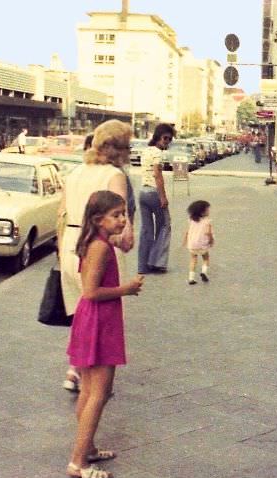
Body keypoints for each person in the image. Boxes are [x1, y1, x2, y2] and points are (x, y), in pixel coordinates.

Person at [65, 190, 143, 478]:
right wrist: (127, 289)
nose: (123, 219)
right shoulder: (99, 247)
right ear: (99, 219)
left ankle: (88, 448)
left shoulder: (98, 242)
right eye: (117, 215)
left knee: (89, 391)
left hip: (96, 320)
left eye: (124, 214)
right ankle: (78, 463)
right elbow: (91, 292)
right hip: (98, 320)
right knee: (99, 393)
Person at [58, 121, 135, 393]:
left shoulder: (76, 171)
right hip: (99, 243)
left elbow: (62, 213)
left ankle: (74, 369)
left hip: (71, 242)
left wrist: (61, 250)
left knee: (82, 311)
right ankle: (92, 376)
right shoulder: (114, 175)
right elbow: (118, 220)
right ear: (120, 148)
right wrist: (125, 242)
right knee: (100, 310)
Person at [137, 123, 174, 274]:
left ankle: (142, 266)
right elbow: (157, 175)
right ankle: (157, 262)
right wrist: (163, 197)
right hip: (154, 193)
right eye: (165, 138)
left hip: (142, 192)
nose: (167, 142)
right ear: (158, 137)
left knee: (146, 230)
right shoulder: (157, 153)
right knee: (165, 225)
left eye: (170, 139)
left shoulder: (146, 151)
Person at [183, 200, 214, 285]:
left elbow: (187, 232)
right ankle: (204, 272)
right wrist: (211, 240)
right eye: (207, 209)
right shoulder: (207, 221)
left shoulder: (191, 220)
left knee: (193, 260)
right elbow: (208, 233)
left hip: (192, 244)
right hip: (202, 244)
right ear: (202, 212)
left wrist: (185, 241)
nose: (209, 211)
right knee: (206, 258)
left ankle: (191, 278)